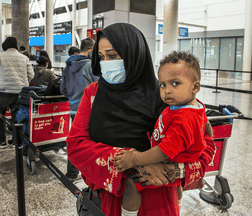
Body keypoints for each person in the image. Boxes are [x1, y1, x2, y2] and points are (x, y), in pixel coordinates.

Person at [66, 23, 215, 216]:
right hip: (109, 196)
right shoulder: (94, 94)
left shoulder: (167, 96)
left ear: (134, 55)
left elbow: (205, 145)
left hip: (159, 201)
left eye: (112, 56)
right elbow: (76, 145)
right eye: (101, 57)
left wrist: (175, 171)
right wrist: (132, 163)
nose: (105, 63)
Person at [114, 51, 213, 214]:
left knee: (132, 184)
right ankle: (177, 200)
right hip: (180, 159)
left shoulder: (184, 118)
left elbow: (163, 152)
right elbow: (206, 123)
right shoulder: (190, 105)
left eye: (175, 84)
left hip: (172, 163)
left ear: (195, 87)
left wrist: (134, 159)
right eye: (162, 84)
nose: (167, 90)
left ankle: (128, 214)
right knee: (174, 188)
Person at [60, 38, 99, 182]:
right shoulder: (91, 66)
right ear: (90, 50)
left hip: (73, 110)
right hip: (90, 110)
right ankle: (92, 175)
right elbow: (99, 87)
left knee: (76, 141)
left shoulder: (68, 65)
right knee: (93, 142)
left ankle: (71, 174)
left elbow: (63, 89)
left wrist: (72, 97)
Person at [0, 37, 34, 148]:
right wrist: (24, 82)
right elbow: (31, 75)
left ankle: (1, 140)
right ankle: (16, 140)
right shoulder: (24, 57)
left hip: (4, 91)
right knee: (17, 117)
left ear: (5, 45)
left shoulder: (0, 56)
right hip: (20, 92)